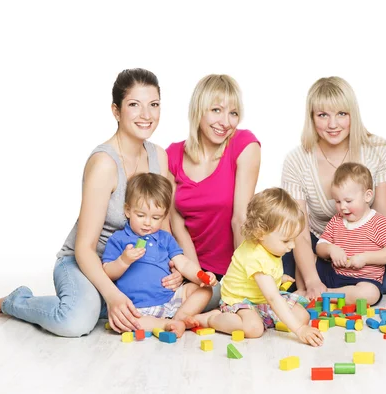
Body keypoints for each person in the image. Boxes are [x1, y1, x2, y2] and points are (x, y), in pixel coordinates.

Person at [0, 68, 179, 336]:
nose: (146, 115)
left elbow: (164, 227)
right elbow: (84, 247)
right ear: (116, 111)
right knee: (76, 321)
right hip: (86, 262)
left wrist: (174, 267)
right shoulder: (104, 163)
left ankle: (101, 305)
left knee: (209, 293)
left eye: (154, 105)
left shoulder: (158, 156)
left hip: (136, 264)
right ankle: (18, 301)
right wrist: (113, 295)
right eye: (134, 105)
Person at [281, 76, 386, 300]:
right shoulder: (297, 160)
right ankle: (321, 287)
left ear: (352, 115)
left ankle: (335, 290)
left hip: (364, 243)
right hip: (320, 242)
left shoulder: (377, 149)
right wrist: (312, 281)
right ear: (311, 118)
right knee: (285, 275)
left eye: (341, 114)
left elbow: (383, 210)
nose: (333, 124)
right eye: (323, 115)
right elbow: (299, 230)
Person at [165, 74, 261, 308]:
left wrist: (239, 280)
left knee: (211, 301)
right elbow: (176, 223)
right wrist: (196, 276)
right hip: (189, 266)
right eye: (216, 110)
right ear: (199, 110)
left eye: (233, 113)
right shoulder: (172, 155)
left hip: (230, 269)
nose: (226, 122)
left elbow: (240, 219)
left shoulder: (244, 145)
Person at [195, 188, 324, 347]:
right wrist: (299, 330)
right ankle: (211, 318)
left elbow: (265, 278)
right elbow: (273, 297)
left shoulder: (270, 243)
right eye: (286, 241)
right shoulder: (256, 256)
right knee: (254, 329)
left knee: (302, 316)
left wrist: (278, 278)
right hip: (239, 301)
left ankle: (268, 318)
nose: (292, 246)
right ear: (260, 232)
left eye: (293, 239)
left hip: (261, 300)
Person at [102, 173, 218, 337]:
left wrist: (201, 276)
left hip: (170, 299)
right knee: (126, 323)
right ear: (128, 211)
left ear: (163, 216)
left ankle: (181, 317)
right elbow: (107, 272)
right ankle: (167, 324)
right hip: (138, 307)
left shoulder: (165, 238)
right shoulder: (119, 239)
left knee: (205, 290)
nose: (148, 223)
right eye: (141, 215)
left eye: (155, 217)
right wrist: (123, 260)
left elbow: (183, 264)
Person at [315, 163, 386, 305]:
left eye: (348, 201)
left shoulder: (379, 222)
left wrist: (365, 258)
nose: (342, 207)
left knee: (370, 294)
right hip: (335, 274)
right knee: (308, 260)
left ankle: (329, 294)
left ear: (367, 196)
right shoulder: (336, 220)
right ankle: (311, 289)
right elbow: (320, 246)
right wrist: (331, 249)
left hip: (363, 281)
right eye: (337, 201)